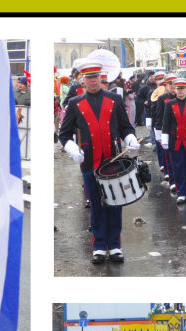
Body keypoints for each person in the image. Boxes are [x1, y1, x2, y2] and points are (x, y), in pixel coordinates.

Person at [58, 60, 139, 264]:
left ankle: (115, 244)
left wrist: (130, 138)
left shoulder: (114, 99)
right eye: (89, 77)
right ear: (83, 80)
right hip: (90, 163)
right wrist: (72, 149)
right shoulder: (75, 103)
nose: (93, 81)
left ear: (101, 77)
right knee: (96, 205)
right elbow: (64, 134)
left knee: (115, 203)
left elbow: (125, 126)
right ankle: (99, 245)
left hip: (113, 162)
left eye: (96, 77)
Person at [161, 78, 186, 204]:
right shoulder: (169, 104)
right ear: (175, 89)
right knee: (177, 167)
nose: (181, 91)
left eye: (183, 88)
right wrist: (164, 138)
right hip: (175, 141)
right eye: (178, 88)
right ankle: (181, 193)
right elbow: (165, 123)